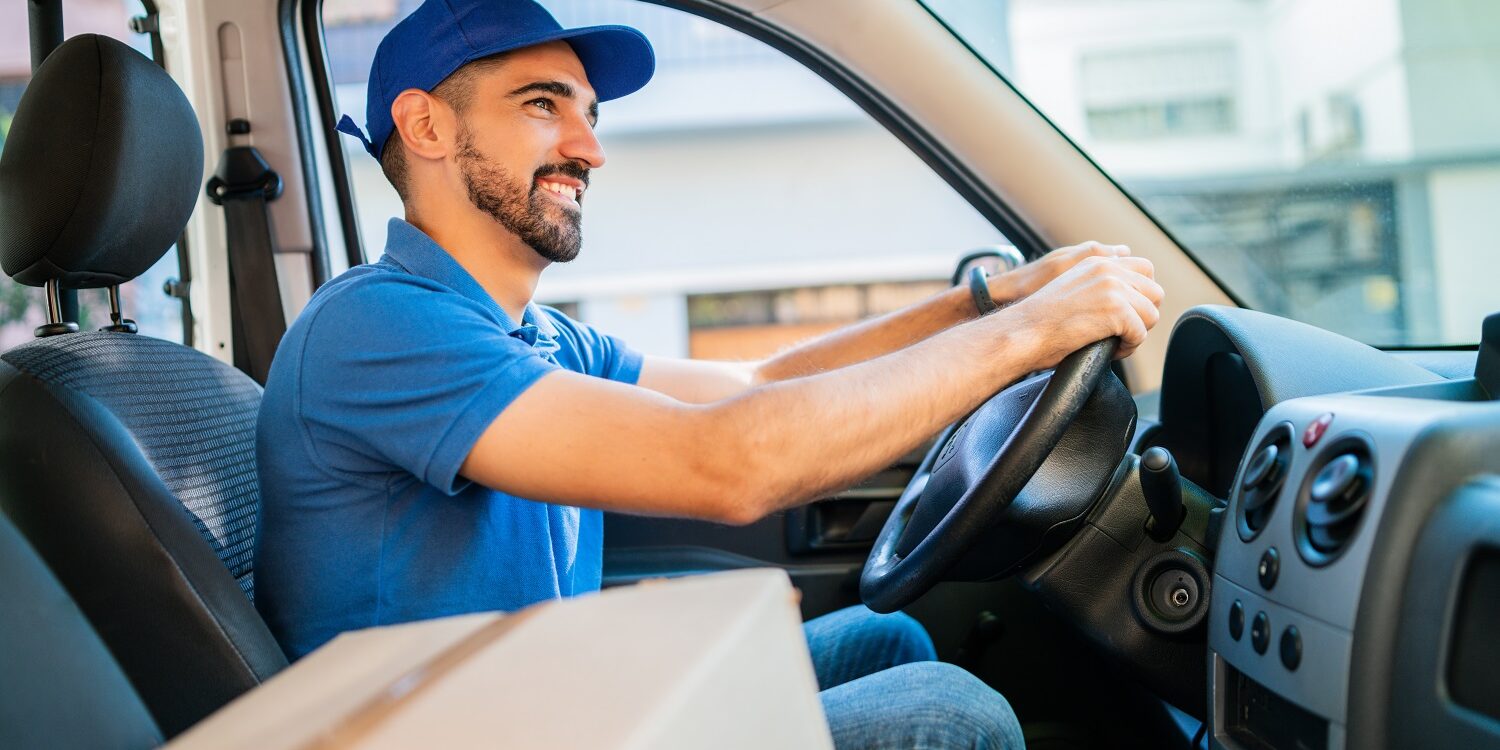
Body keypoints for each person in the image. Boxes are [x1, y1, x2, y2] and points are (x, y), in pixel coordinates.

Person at [254, 1, 1163, 747]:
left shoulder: (534, 336)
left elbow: (754, 382)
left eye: (590, 115)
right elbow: (725, 462)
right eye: (543, 105)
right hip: (466, 734)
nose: (589, 148)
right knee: (947, 717)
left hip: (549, 705)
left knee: (889, 640)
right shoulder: (378, 324)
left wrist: (987, 307)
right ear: (425, 125)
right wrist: (1030, 338)